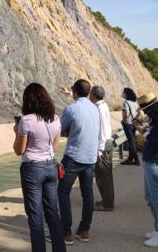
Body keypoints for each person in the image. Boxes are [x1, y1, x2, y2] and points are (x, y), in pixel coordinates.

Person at [13, 83, 66, 252]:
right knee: (53, 213)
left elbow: (19, 150)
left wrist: (16, 131)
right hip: (50, 166)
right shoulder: (55, 119)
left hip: (32, 168)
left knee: (35, 217)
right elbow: (55, 145)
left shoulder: (26, 121)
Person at [57, 79, 100, 245]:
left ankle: (66, 232)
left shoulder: (71, 108)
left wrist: (69, 132)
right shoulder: (94, 108)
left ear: (74, 91)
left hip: (74, 157)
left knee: (62, 192)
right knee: (87, 194)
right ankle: (84, 231)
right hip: (90, 158)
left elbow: (60, 130)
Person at [133, 93, 158, 247]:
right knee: (151, 200)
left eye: (145, 110)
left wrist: (143, 130)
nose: (145, 114)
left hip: (156, 165)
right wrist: (143, 129)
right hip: (152, 163)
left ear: (151, 109)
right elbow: (156, 136)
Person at [90, 85, 114, 211]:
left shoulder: (99, 109)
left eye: (90, 94)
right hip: (106, 143)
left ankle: (108, 204)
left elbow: (102, 131)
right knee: (105, 175)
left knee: (103, 175)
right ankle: (106, 200)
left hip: (103, 145)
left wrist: (99, 150)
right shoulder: (101, 105)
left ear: (93, 95)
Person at [121, 87, 140, 165]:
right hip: (134, 123)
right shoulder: (135, 103)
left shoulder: (126, 102)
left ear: (127, 94)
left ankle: (136, 160)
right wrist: (135, 119)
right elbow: (139, 112)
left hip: (128, 123)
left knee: (131, 142)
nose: (123, 94)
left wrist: (123, 120)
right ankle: (130, 159)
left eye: (124, 92)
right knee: (132, 141)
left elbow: (127, 113)